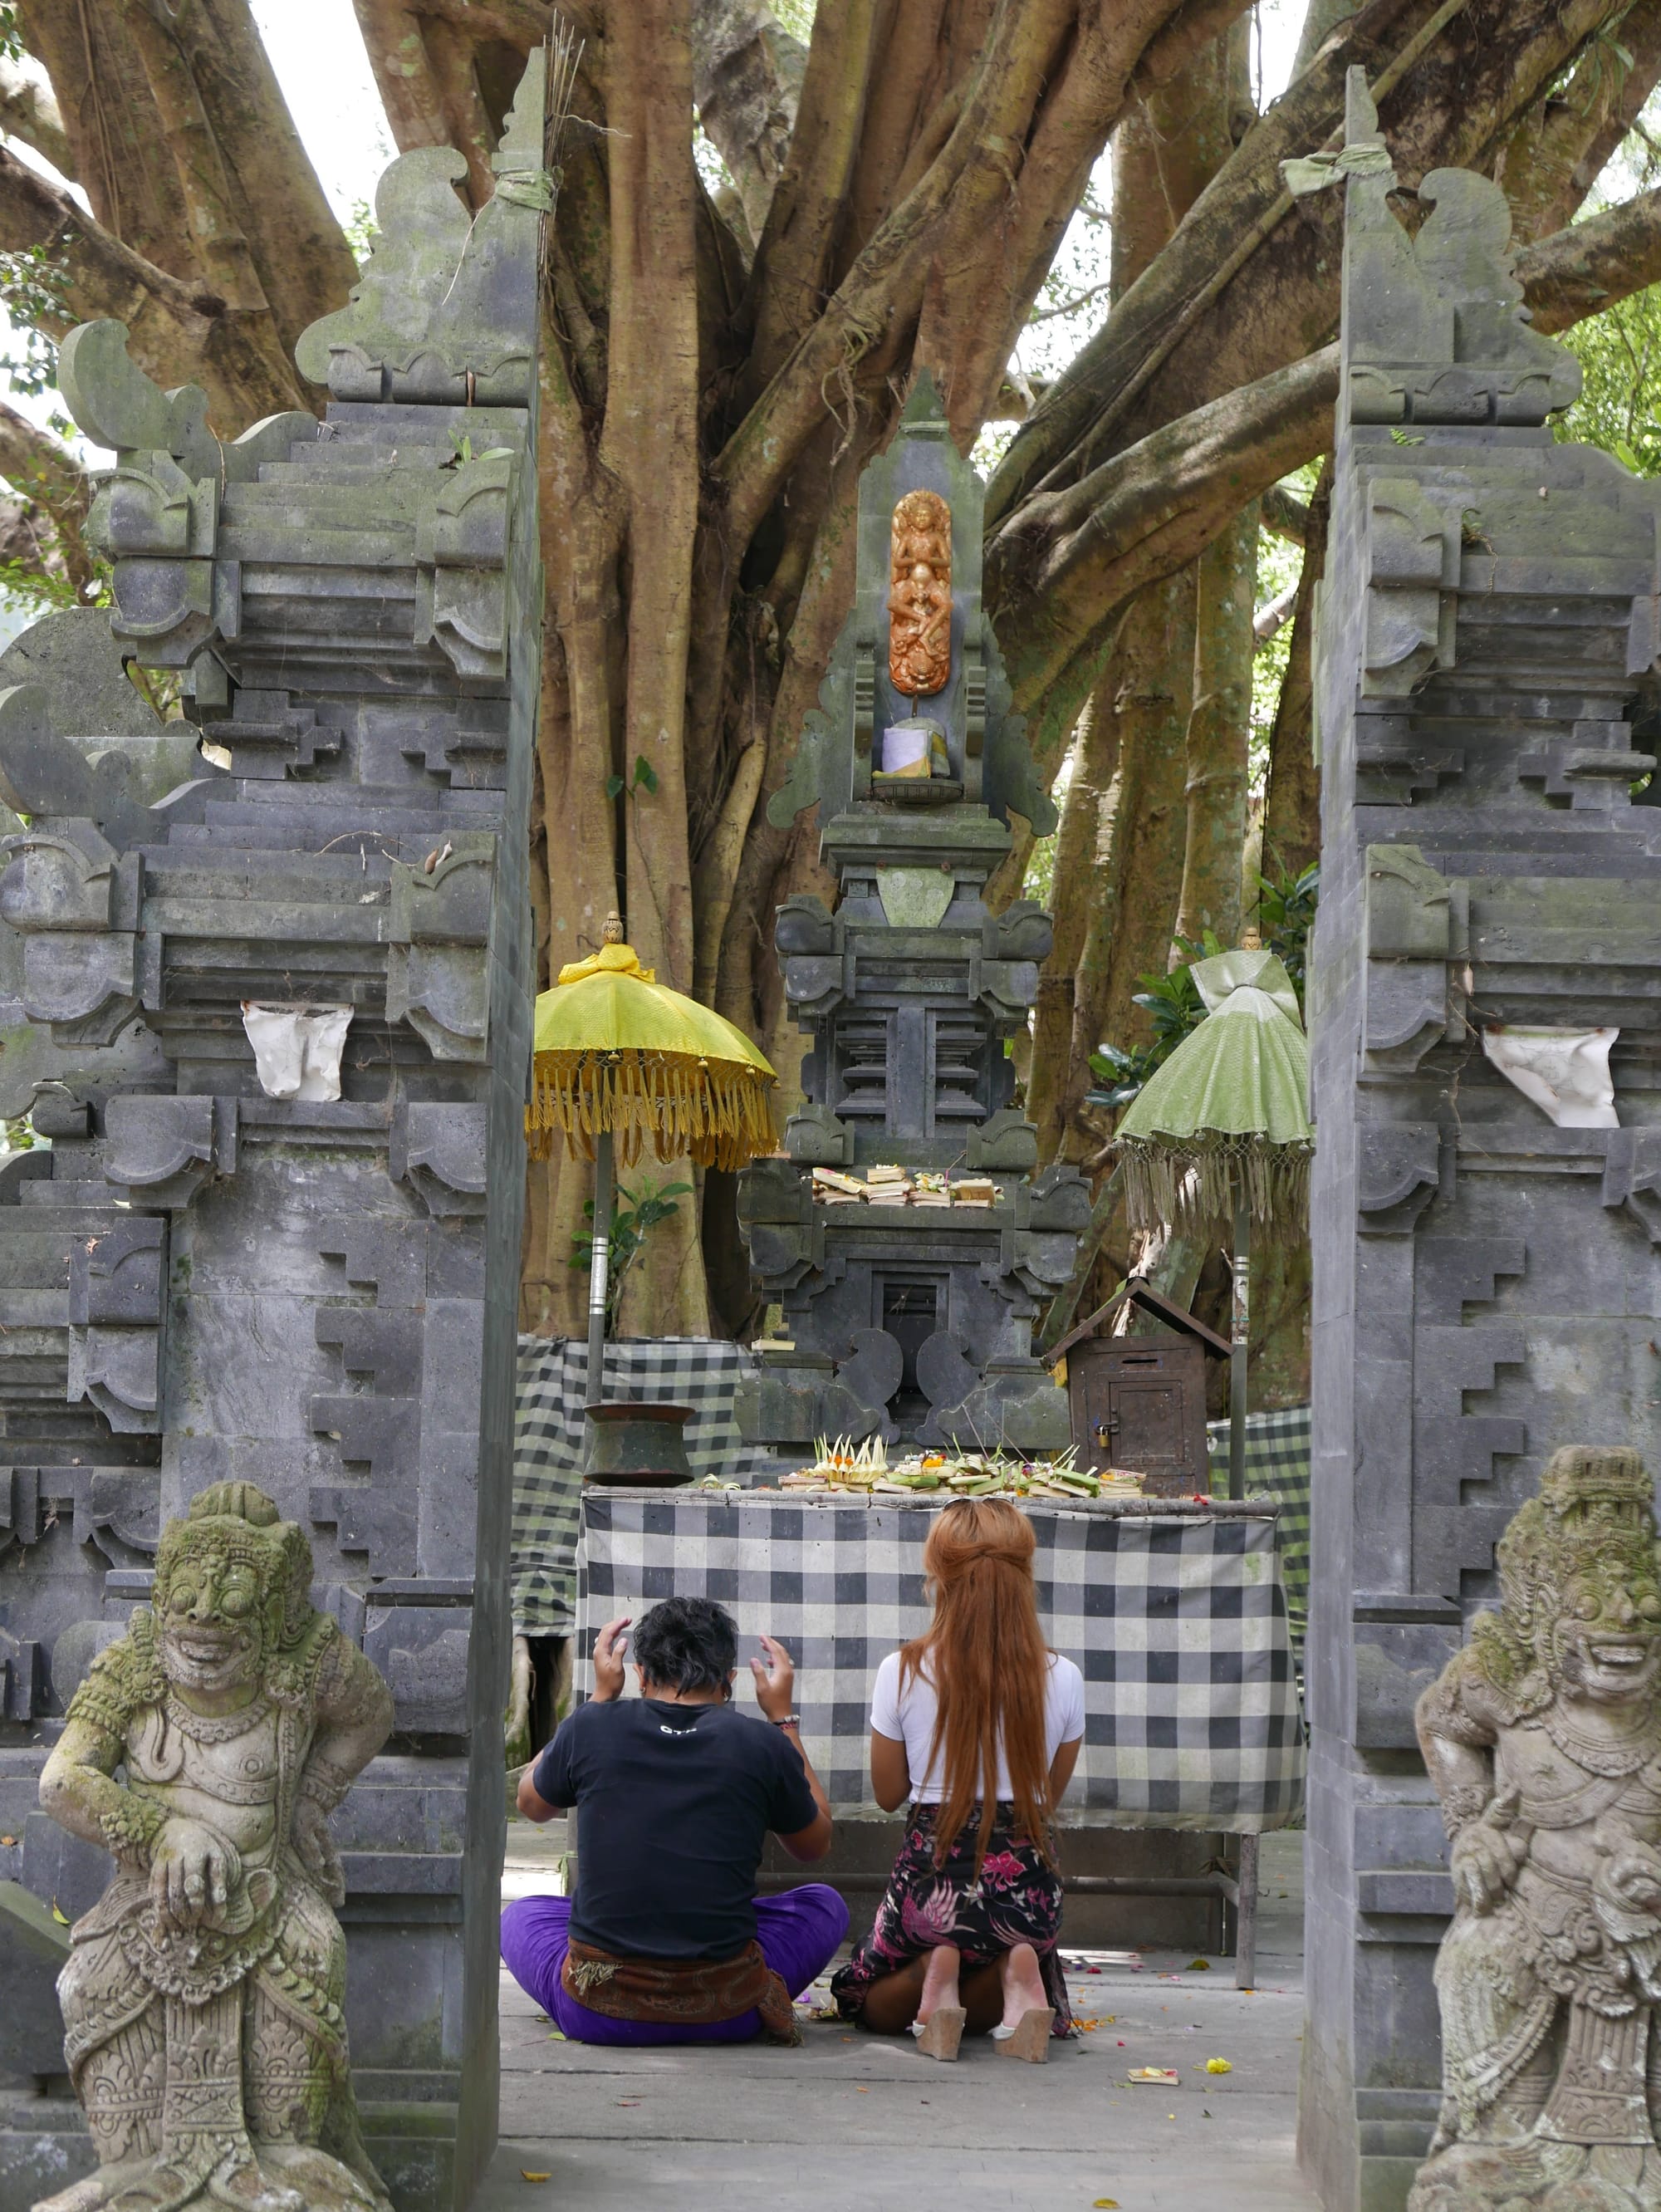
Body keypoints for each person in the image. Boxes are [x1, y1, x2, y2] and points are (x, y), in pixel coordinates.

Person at [502, 1595, 849, 2045]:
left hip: (599, 2013)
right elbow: (814, 1844)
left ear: (640, 1674)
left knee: (520, 1915)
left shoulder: (591, 1726)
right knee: (825, 1904)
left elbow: (530, 1804)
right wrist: (783, 1718)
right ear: (730, 1681)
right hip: (728, 2011)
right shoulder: (761, 1742)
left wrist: (600, 1698)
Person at [830, 1497, 1085, 2062]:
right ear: (1025, 1576)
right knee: (1002, 1950)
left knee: (870, 2003)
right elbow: (1045, 1797)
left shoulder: (902, 1670)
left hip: (931, 1891)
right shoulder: (1064, 1676)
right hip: (1028, 1898)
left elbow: (889, 1793)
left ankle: (934, 1967)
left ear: (937, 1577)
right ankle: (1020, 1970)